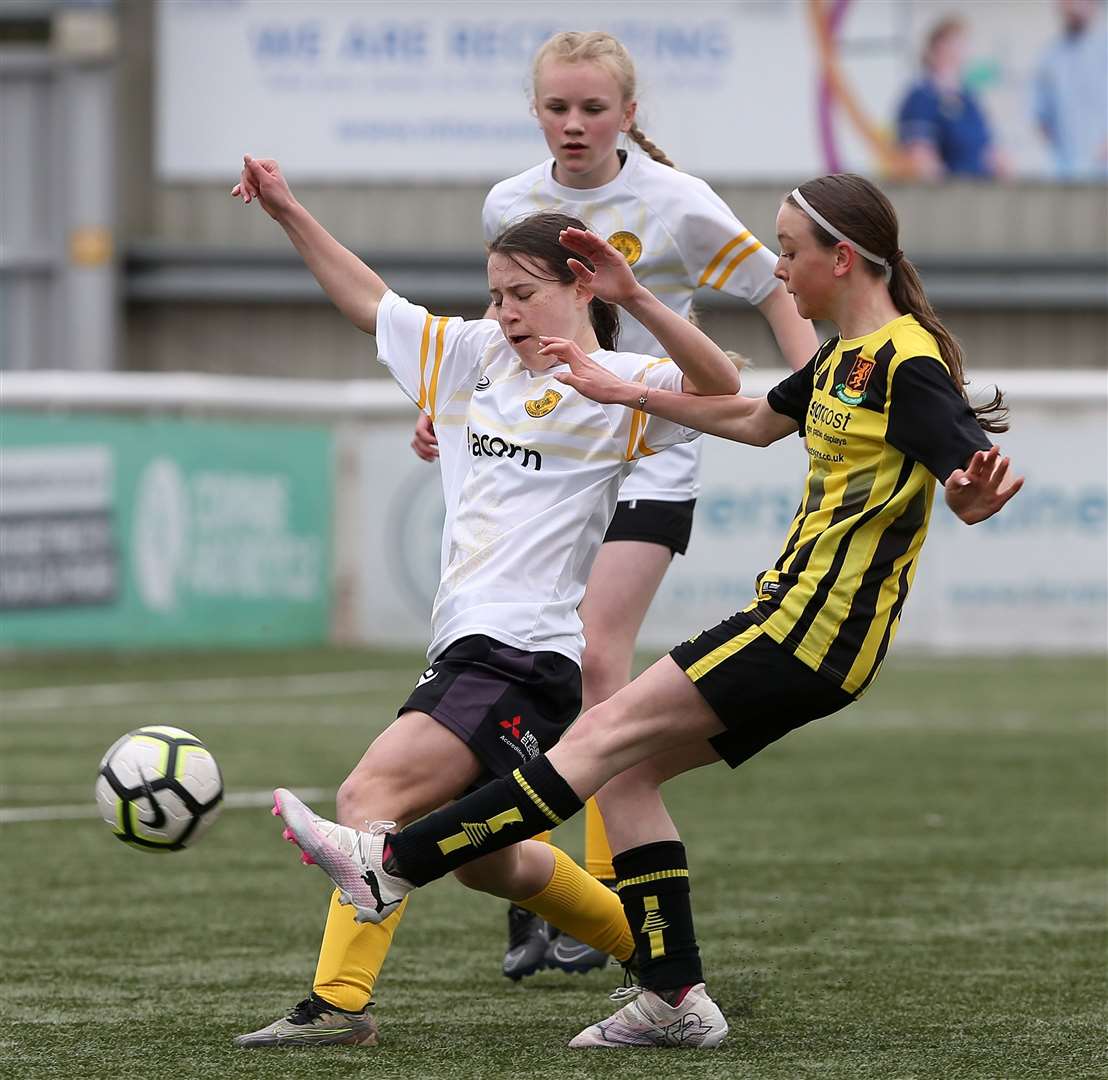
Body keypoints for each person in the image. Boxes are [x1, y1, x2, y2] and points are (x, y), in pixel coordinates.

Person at [274, 173, 1025, 1050]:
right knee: (624, 772)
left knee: (598, 741)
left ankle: (390, 865)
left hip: (808, 627)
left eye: (788, 251)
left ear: (842, 258)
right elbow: (744, 417)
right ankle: (673, 996)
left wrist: (975, 493)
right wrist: (626, 391)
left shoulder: (907, 363)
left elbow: (970, 483)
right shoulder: (838, 362)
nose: (777, 271)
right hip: (803, 628)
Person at [229, 150, 742, 1048]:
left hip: (519, 654)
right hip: (470, 651)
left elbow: (722, 387)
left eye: (521, 293)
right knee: (490, 863)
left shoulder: (615, 388)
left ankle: (338, 1006)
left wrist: (643, 317)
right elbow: (368, 302)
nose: (502, 311)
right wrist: (286, 211)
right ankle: (667, 967)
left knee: (369, 793)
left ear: (582, 288)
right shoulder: (468, 359)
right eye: (495, 292)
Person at [409, 29, 818, 980]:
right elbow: (495, 321)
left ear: (630, 115)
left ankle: (605, 905)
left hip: (650, 442)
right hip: (552, 441)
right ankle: (528, 887)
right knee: (533, 644)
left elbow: (773, 287)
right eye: (558, 107)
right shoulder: (511, 202)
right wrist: (445, 411)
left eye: (594, 107)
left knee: (598, 656)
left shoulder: (675, 202)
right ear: (536, 113)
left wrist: (819, 388)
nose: (575, 123)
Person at [896, 17, 1009, 180]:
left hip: (981, 191)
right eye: (951, 44)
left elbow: (991, 150)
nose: (958, 51)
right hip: (947, 194)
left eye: (962, 44)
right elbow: (920, 158)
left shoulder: (968, 99)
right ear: (934, 49)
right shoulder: (920, 98)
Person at [1032, 0, 1108, 180]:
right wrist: (1061, 152)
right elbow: (1039, 113)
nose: (1075, 8)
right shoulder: (1050, 57)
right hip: (1066, 170)